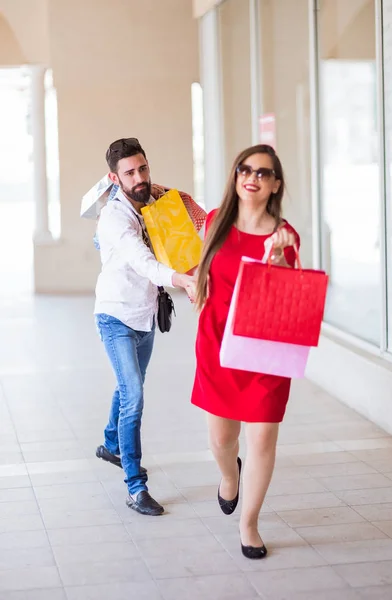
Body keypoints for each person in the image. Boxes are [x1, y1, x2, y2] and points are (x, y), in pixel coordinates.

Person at [192, 144, 300, 558]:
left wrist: (279, 259)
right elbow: (203, 269)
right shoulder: (217, 222)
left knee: (262, 440)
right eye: (245, 169)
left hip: (265, 352)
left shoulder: (285, 235)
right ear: (236, 176)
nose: (251, 177)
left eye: (263, 172)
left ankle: (249, 523)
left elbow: (290, 297)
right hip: (217, 344)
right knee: (223, 439)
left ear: (274, 184)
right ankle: (228, 477)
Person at [95, 137, 197, 516]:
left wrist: (166, 195)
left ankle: (110, 443)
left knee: (129, 387)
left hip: (146, 315)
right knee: (134, 396)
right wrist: (182, 280)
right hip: (114, 315)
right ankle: (136, 488)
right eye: (129, 173)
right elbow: (145, 263)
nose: (139, 178)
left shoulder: (152, 201)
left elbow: (180, 231)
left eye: (143, 169)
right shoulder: (115, 217)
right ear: (113, 177)